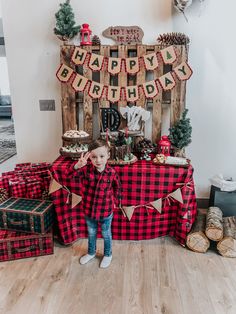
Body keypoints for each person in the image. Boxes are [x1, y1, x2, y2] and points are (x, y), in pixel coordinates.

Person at [70, 139, 121, 268]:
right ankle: (91, 252)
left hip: (106, 210)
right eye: (94, 157)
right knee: (91, 233)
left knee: (106, 234)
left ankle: (108, 254)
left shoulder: (112, 173)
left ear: (108, 155)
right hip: (89, 210)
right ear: (90, 157)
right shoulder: (85, 170)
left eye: (102, 156)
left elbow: (117, 188)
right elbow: (69, 177)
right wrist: (77, 166)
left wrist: (115, 201)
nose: (98, 160)